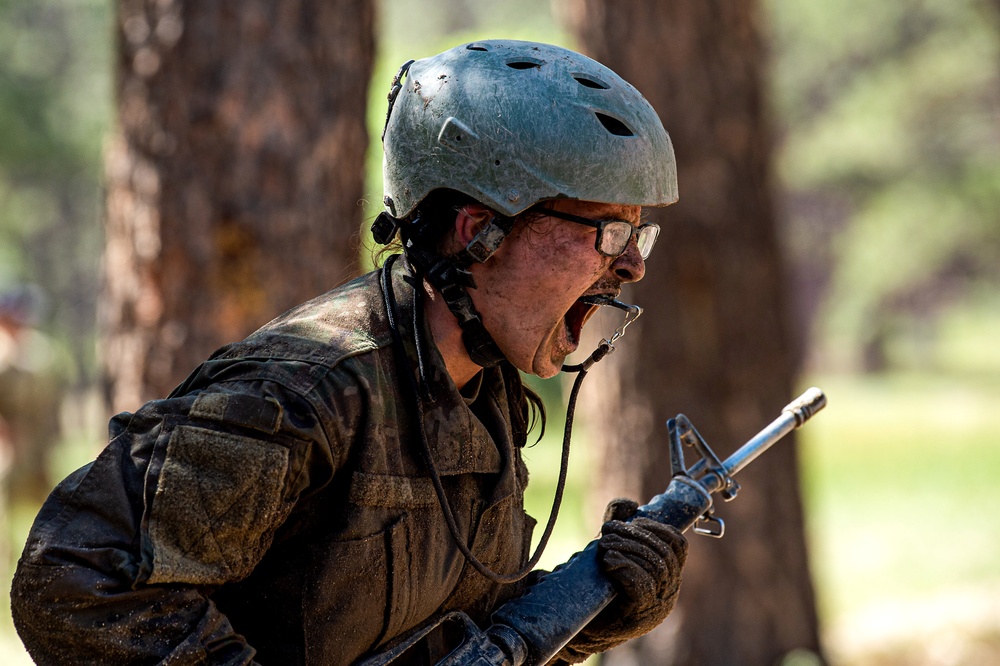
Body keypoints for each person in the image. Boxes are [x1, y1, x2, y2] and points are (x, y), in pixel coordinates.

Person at [11, 40, 687, 665]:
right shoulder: (304, 392)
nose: (631, 267)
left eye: (638, 236)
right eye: (605, 234)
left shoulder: (480, 390)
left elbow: (448, 627)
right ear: (480, 232)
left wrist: (596, 608)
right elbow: (76, 580)